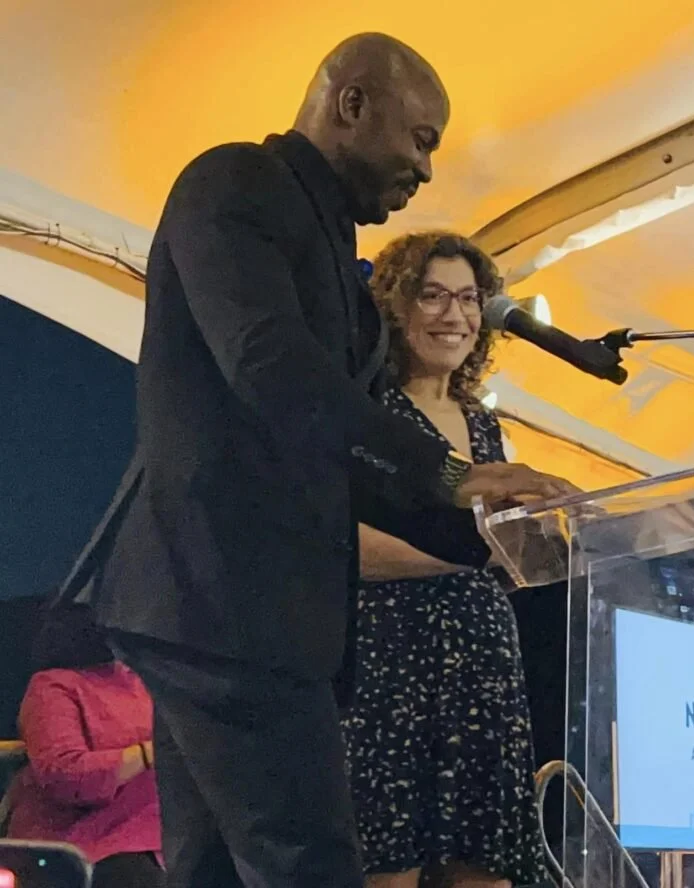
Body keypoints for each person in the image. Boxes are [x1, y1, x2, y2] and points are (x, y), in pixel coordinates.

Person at [60, 32, 575, 888]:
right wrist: (450, 473)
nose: (427, 171)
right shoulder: (237, 183)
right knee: (313, 865)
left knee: (215, 872)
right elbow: (271, 368)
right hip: (228, 602)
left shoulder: (332, 249)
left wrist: (490, 530)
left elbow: (337, 448)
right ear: (352, 104)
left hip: (219, 612)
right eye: (421, 141)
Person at [342, 232, 548, 888]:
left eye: (468, 299)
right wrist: (465, 564)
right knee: (390, 864)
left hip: (484, 670)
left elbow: (508, 547)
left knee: (483, 866)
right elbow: (338, 545)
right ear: (396, 307)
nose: (454, 315)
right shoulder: (368, 413)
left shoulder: (486, 426)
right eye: (432, 296)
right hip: (391, 661)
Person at [6, 603, 163, 888]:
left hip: (163, 835)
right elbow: (64, 775)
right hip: (92, 843)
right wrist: (147, 753)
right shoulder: (52, 686)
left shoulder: (144, 680)